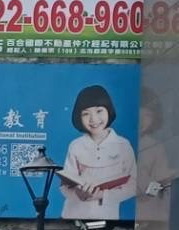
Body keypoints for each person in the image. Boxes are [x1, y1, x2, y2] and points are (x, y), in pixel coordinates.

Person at [59, 84, 138, 220]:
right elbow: (65, 185)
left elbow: (133, 185)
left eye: (99, 111)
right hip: (72, 216)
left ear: (109, 110)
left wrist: (102, 195)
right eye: (86, 114)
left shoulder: (123, 145)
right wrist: (78, 193)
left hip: (107, 217)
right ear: (79, 117)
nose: (93, 119)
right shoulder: (76, 146)